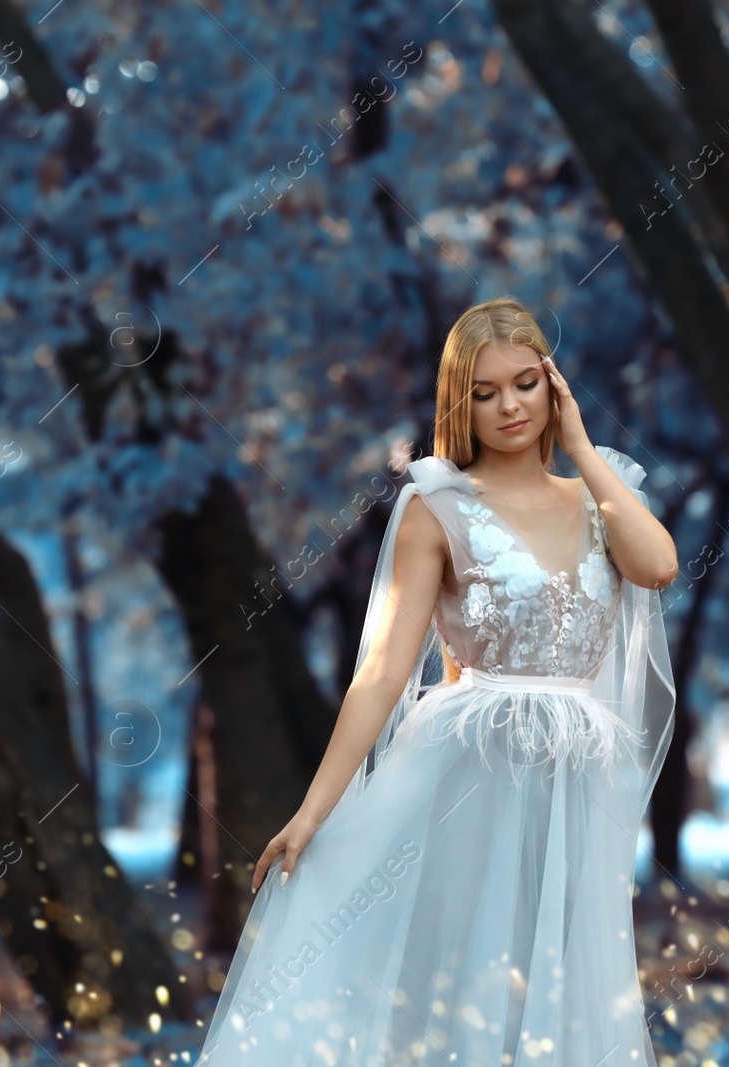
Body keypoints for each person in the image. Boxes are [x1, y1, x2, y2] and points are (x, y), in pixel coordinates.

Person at [195, 296, 680, 1067]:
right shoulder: (438, 507)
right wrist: (314, 810)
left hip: (578, 780)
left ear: (553, 385)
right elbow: (384, 671)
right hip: (468, 774)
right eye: (482, 393)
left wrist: (582, 446)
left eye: (524, 383)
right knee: (467, 980)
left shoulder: (603, 497)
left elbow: (656, 567)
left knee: (564, 983)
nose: (508, 406)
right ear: (460, 403)